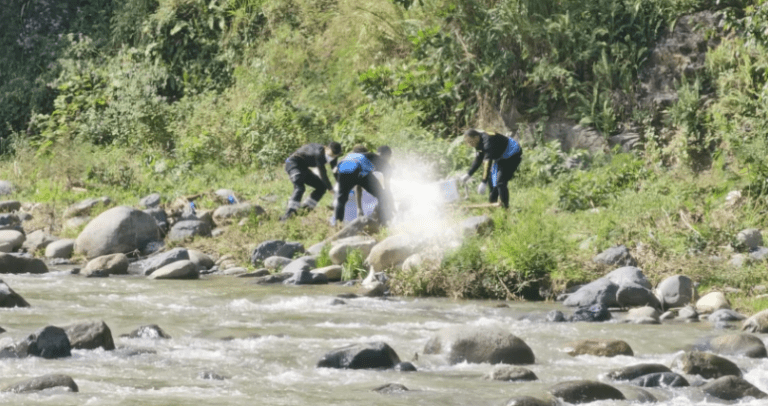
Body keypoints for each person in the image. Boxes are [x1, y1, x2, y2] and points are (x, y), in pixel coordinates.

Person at [460, 128, 522, 209]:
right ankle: (492, 206)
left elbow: (487, 162)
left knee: (500, 181)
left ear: (476, 137)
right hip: (501, 157)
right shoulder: (478, 142)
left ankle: (505, 209)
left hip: (512, 153)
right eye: (468, 143)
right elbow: (478, 160)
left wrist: (483, 182)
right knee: (492, 182)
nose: (470, 145)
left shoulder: (487, 140)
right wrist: (468, 174)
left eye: (471, 142)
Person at [280, 141, 342, 221]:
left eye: (334, 156)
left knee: (321, 187)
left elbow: (335, 171)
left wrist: (341, 184)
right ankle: (288, 215)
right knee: (299, 187)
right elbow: (323, 173)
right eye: (330, 155)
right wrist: (330, 188)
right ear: (326, 148)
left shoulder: (334, 155)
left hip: (303, 167)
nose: (331, 158)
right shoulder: (318, 153)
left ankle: (305, 209)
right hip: (292, 163)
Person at [332, 145, 394, 226]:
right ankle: (383, 224)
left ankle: (337, 224)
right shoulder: (382, 162)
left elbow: (358, 185)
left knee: (341, 199)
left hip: (342, 169)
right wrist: (391, 203)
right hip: (357, 167)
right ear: (387, 156)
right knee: (382, 195)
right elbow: (387, 189)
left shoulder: (359, 156)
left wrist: (359, 208)